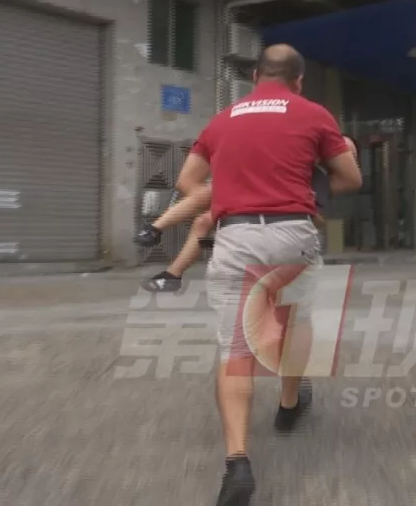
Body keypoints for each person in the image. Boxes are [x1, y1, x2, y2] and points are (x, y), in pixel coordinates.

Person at [174, 44, 362, 505]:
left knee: (235, 351)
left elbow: (187, 182)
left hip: (237, 235)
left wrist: (227, 194)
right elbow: (349, 179)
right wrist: (312, 185)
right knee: (294, 325)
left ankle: (237, 463)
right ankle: (288, 405)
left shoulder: (222, 120)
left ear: (256, 76)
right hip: (293, 232)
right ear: (298, 80)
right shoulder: (314, 114)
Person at [133, 137, 358, 293]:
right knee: (204, 215)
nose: (338, 150)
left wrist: (300, 208)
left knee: (209, 205)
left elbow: (316, 220)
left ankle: (166, 242)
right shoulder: (292, 158)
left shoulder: (318, 180)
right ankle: (168, 263)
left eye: (346, 152)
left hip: (270, 219)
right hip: (250, 200)